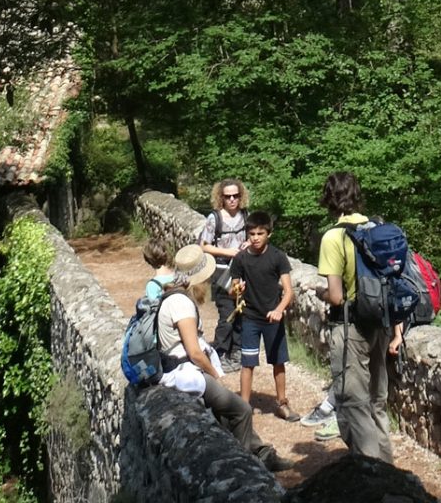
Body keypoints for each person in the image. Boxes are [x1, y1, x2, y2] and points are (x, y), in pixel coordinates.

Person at [157, 244, 294, 472]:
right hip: (185, 373)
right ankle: (241, 468)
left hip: (179, 370)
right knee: (242, 410)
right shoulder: (181, 303)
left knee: (226, 411)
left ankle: (262, 453)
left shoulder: (170, 296)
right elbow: (195, 353)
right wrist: (214, 374)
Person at [315, 171, 403, 463]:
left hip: (349, 325)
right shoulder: (376, 228)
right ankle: (388, 472)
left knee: (353, 402)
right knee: (377, 401)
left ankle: (370, 475)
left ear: (329, 199)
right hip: (379, 322)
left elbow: (337, 296)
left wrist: (321, 292)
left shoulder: (333, 237)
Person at [230, 211, 300, 422]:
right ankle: (244, 407)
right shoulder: (241, 259)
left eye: (260, 233)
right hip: (250, 317)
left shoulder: (278, 257)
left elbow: (288, 291)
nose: (256, 238)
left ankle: (282, 403)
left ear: (269, 233)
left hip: (272, 319)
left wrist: (279, 309)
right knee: (247, 362)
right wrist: (236, 289)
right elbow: (232, 289)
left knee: (278, 362)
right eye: (252, 233)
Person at [199, 179, 250, 373]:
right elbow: (204, 245)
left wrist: (247, 246)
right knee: (226, 313)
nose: (232, 200)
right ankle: (220, 352)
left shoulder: (245, 216)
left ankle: (237, 352)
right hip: (221, 272)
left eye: (235, 196)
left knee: (240, 312)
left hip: (242, 272)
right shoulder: (215, 218)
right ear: (221, 197)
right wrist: (229, 252)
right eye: (227, 196)